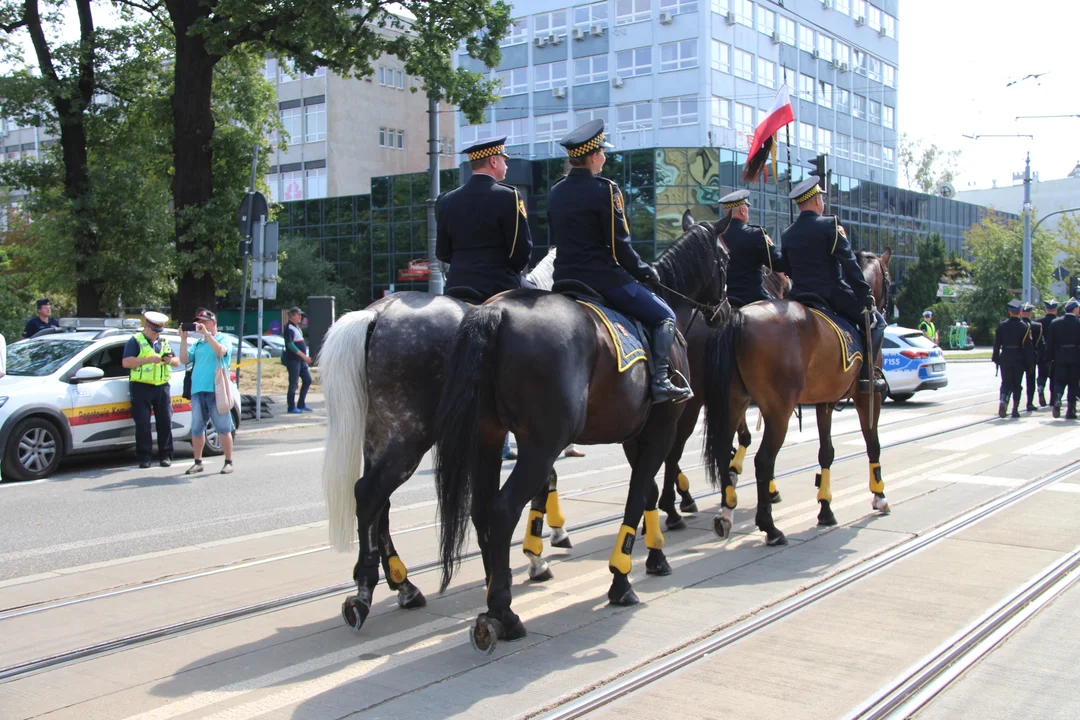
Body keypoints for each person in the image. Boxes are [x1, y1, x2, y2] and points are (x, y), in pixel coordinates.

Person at [548, 119, 691, 404]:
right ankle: (661, 381)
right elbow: (620, 246)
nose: (605, 156)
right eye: (602, 151)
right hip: (604, 279)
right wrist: (645, 271)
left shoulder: (555, 191)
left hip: (564, 279)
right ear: (592, 156)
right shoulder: (605, 189)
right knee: (665, 316)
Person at [781, 176, 886, 393]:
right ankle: (868, 376)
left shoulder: (788, 233)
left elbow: (788, 268)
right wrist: (865, 294)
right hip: (832, 294)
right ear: (817, 200)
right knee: (877, 322)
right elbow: (849, 263)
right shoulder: (830, 225)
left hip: (799, 296)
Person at [436, 136, 533, 301]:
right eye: (504, 160)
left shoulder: (447, 199)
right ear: (493, 161)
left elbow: (442, 252)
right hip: (498, 285)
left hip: (456, 284)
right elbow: (521, 250)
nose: (506, 165)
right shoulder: (509, 196)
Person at [178, 308, 235, 474]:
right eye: (198, 322)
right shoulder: (198, 343)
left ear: (213, 323)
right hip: (198, 390)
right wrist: (183, 340)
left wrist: (208, 336)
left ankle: (228, 461)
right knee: (196, 428)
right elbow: (184, 359)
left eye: (204, 321)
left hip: (216, 390)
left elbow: (221, 352)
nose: (200, 324)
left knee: (223, 427)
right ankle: (198, 462)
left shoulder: (222, 338)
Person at [121, 311, 181, 468]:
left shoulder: (164, 341)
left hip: (161, 386)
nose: (156, 335)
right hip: (141, 386)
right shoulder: (135, 341)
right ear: (146, 327)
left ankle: (166, 455)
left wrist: (170, 360)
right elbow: (126, 362)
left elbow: (177, 361)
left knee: (165, 421)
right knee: (143, 424)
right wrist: (146, 360)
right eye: (154, 331)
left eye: (158, 332)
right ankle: (144, 457)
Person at [717, 189, 787, 307]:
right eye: (747, 208)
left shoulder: (716, 237)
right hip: (754, 299)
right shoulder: (756, 234)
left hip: (723, 301)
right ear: (742, 211)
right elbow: (779, 264)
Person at [992, 299, 1031, 419]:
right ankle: (1015, 409)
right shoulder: (1024, 326)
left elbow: (996, 343)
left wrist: (996, 357)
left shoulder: (1002, 325)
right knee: (1017, 385)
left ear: (1009, 311)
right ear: (1020, 311)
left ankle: (1004, 400)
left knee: (1006, 383)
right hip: (1018, 358)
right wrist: (1029, 363)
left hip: (1005, 356)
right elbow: (1027, 347)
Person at [1048, 298, 1080, 419]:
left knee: (1059, 381)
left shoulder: (1055, 323)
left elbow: (1050, 343)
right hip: (1075, 358)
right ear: (1075, 309)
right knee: (1073, 384)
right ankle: (1070, 411)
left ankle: (1057, 397)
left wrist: (1049, 358)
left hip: (1059, 357)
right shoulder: (1078, 323)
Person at [283, 307, 313, 414]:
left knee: (308, 380)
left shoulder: (297, 328)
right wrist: (304, 356)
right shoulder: (289, 328)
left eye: (300, 315)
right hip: (294, 360)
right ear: (291, 316)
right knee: (293, 383)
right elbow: (290, 344)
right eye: (298, 315)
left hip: (301, 361)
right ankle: (291, 407)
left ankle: (301, 404)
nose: (300, 317)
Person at [1037, 299, 1061, 406]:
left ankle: (1041, 389)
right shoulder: (1059, 322)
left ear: (1046, 309)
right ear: (1056, 309)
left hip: (1042, 353)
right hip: (1055, 353)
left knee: (1042, 375)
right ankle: (1053, 399)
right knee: (1054, 377)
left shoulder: (1038, 322)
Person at [1020, 302, 1041, 412]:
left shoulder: (1019, 324)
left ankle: (1013, 402)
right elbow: (1038, 343)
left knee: (1016, 381)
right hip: (1031, 356)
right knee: (1031, 381)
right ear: (1030, 313)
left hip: (1018, 356)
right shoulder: (1036, 326)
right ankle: (1030, 402)